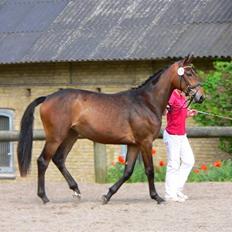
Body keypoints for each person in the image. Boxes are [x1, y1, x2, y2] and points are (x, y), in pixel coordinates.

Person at [163, 89, 198, 202]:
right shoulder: (172, 95)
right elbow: (165, 111)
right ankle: (170, 194)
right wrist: (165, 108)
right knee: (174, 164)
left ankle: (176, 189)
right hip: (172, 135)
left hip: (182, 135)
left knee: (189, 161)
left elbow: (178, 113)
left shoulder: (182, 96)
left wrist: (188, 114)